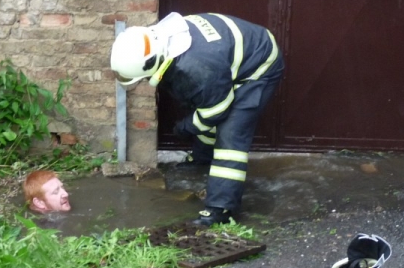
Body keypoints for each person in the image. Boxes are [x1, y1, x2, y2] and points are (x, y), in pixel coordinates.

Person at [110, 12, 284, 226]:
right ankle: (203, 159)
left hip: (259, 65)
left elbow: (216, 111)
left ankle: (221, 210)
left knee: (231, 136)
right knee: (205, 108)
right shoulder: (162, 39)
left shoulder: (197, 68)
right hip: (229, 56)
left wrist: (185, 128)